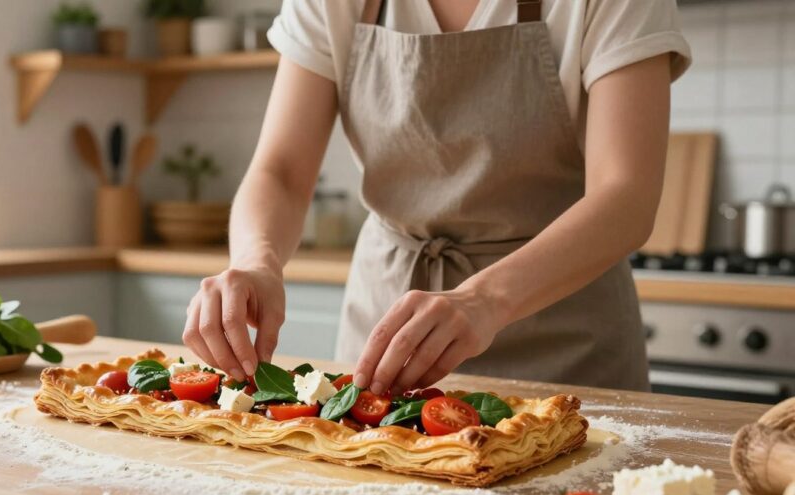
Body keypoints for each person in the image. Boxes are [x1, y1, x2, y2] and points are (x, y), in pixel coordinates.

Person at [182, 0, 691, 395]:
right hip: (388, 335)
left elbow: (625, 196)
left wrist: (484, 299)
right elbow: (282, 171)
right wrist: (257, 260)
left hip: (567, 338)